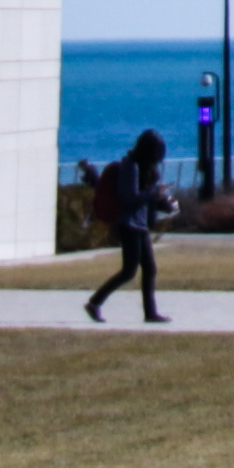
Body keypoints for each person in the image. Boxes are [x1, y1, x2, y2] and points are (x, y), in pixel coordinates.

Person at [87, 127, 171, 323]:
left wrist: (161, 201)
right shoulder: (131, 167)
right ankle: (95, 302)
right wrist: (153, 193)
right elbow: (129, 197)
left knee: (149, 269)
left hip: (139, 224)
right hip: (129, 224)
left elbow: (144, 197)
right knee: (129, 271)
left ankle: (150, 313)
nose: (158, 159)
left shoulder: (145, 169)